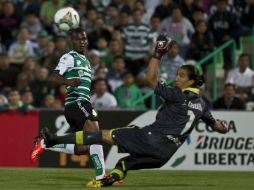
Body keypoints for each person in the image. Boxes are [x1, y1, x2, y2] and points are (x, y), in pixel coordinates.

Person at [32, 34, 228, 187]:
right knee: (124, 164)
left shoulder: (177, 95)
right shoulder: (202, 105)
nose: (177, 79)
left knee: (100, 136)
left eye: (181, 76)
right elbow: (218, 127)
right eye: (177, 75)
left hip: (150, 138)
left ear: (191, 81)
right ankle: (108, 179)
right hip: (165, 155)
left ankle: (52, 140)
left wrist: (158, 52)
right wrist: (223, 127)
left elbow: (150, 79)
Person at [30, 28, 106, 181]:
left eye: (84, 38)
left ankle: (47, 143)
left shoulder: (86, 61)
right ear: (72, 41)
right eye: (79, 39)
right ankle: (101, 177)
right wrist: (68, 82)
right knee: (95, 136)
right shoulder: (69, 57)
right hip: (76, 102)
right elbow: (53, 77)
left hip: (83, 103)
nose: (82, 41)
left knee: (82, 147)